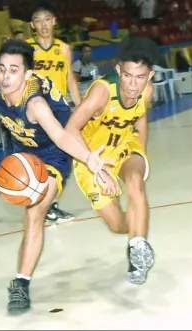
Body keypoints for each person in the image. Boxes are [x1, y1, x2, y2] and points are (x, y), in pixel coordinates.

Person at [0, 39, 113, 314]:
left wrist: (89, 158)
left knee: (35, 212)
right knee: (22, 191)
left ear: (27, 74)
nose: (6, 76)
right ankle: (1, 183)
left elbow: (61, 135)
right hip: (24, 149)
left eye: (14, 70)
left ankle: (20, 284)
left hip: (53, 153)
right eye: (1, 68)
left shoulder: (35, 105)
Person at [66, 36, 158, 285]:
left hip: (123, 147)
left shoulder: (146, 93)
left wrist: (140, 151)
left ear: (149, 76)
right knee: (118, 225)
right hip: (90, 156)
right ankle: (134, 229)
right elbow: (71, 129)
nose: (132, 84)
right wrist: (94, 166)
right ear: (119, 70)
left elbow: (140, 118)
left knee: (135, 181)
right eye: (128, 75)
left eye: (140, 77)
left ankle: (137, 249)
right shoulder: (101, 92)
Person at [0, 2, 80, 223]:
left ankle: (36, 201)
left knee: (51, 159)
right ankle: (33, 200)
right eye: (38, 20)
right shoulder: (25, 48)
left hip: (54, 111)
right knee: (43, 159)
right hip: (27, 111)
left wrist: (79, 107)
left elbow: (70, 78)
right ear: (32, 25)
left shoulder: (63, 48)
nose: (43, 24)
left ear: (54, 21)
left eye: (47, 19)